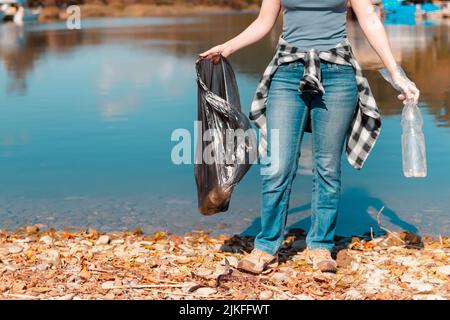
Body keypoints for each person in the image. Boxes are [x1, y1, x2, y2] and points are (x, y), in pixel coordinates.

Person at [200, 0, 420, 274]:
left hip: (337, 72)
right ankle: (266, 246)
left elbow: (370, 19)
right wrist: (228, 47)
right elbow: (263, 22)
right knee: (276, 166)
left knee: (327, 166)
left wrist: (396, 74)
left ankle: (320, 245)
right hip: (287, 72)